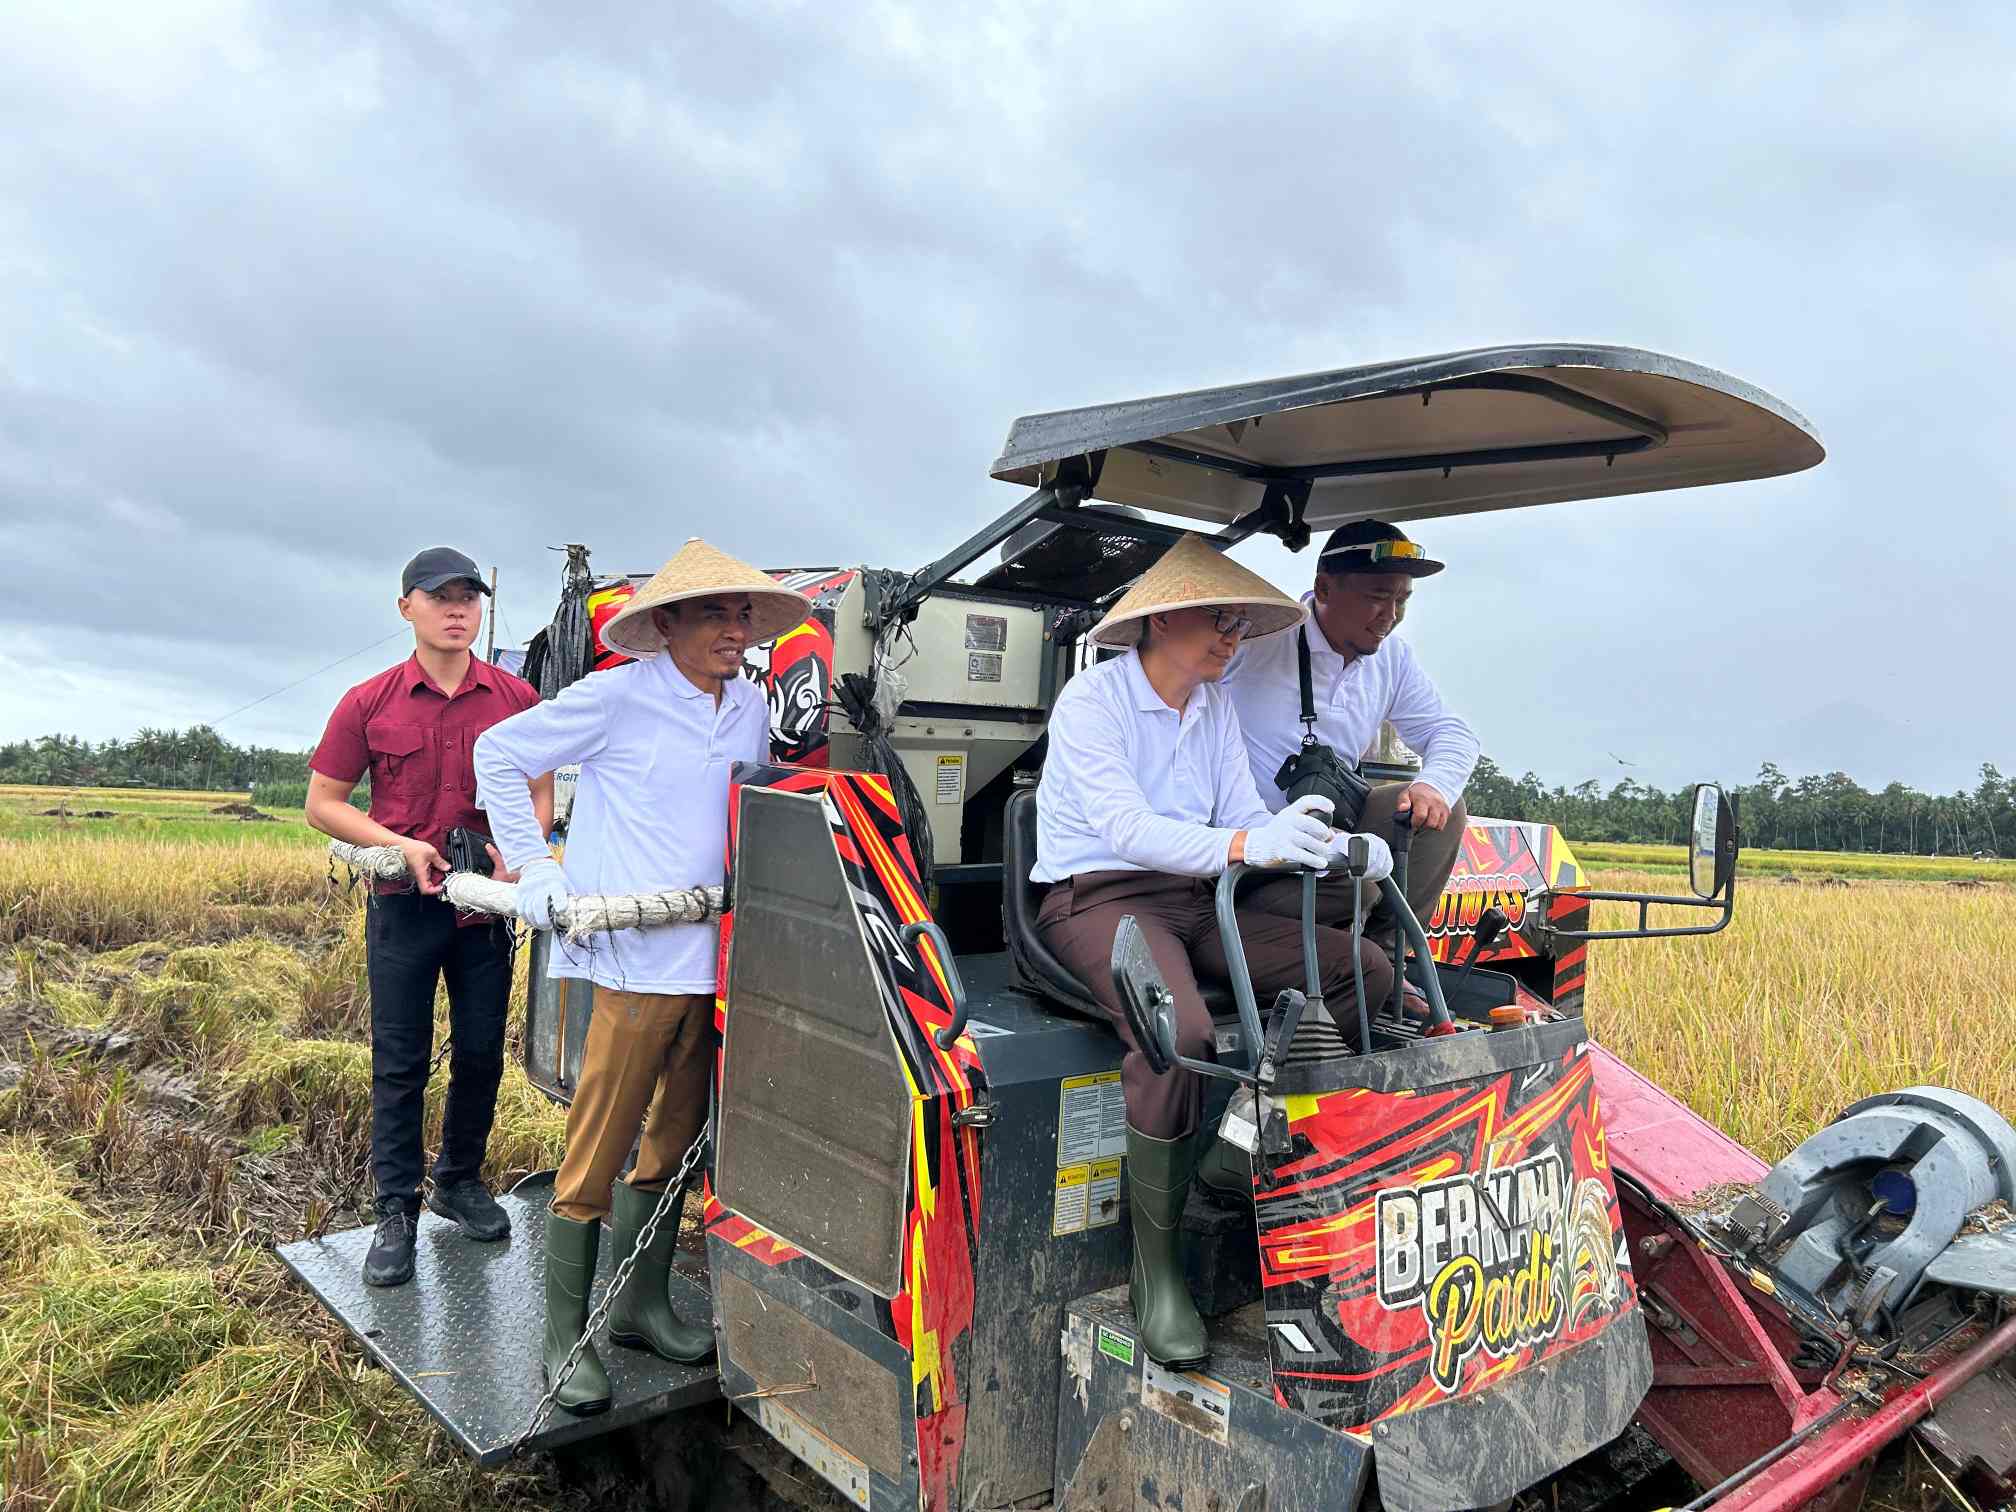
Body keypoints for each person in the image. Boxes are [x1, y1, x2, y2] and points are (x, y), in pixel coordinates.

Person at [1033, 534, 1396, 1369]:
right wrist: (1246, 844)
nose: (1232, 637)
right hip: (1097, 898)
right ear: (1159, 623)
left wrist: (1329, 844)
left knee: (1362, 971)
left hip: (1198, 898)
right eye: (1217, 620)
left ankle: (1232, 1146)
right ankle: (1156, 1273)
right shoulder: (1094, 702)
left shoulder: (1214, 707)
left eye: (1239, 623)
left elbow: (1242, 812)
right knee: (1181, 1037)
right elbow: (1127, 830)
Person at [473, 538, 810, 1417]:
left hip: (715, 958)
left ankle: (641, 1304)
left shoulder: (748, 706)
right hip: (632, 953)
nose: (736, 630)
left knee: (676, 1136)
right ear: (666, 625)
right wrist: (538, 872)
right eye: (716, 614)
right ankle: (564, 1335)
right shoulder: (619, 695)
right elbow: (498, 756)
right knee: (601, 1140)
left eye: (744, 614)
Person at [306, 546, 553, 1289]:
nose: (457, 609)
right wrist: (399, 845)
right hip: (402, 911)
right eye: (438, 596)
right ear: (405, 607)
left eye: (469, 597)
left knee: (482, 1051)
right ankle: (395, 1212)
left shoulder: (516, 698)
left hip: (485, 913)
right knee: (401, 1062)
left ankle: (460, 1181)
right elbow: (324, 803)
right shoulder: (368, 701)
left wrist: (519, 856)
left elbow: (539, 791)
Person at [1222, 519, 1479, 938]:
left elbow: (1451, 731)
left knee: (1443, 812)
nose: (1391, 616)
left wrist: (1433, 786)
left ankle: (1385, 957)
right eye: (1378, 597)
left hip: (1332, 832)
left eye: (1402, 600)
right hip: (1252, 843)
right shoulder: (1256, 640)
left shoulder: (1392, 658)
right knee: (1357, 889)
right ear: (1323, 589)